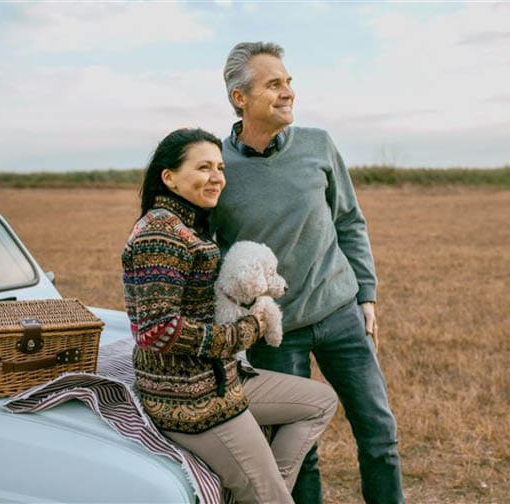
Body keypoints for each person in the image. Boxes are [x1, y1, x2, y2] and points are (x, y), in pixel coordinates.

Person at [211, 42, 405, 504]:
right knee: (298, 449)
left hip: (340, 315)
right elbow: (210, 251)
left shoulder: (318, 144)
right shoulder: (218, 166)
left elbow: (349, 222)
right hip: (275, 334)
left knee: (379, 433)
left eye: (289, 82)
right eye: (274, 84)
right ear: (241, 98)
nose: (288, 92)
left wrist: (367, 297)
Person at [122, 128, 338, 504]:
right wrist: (247, 330)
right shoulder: (160, 233)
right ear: (168, 177)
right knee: (271, 497)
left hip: (221, 380)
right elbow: (156, 330)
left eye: (220, 167)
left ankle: (261, 493)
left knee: (319, 402)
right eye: (203, 167)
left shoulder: (187, 225)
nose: (217, 176)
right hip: (191, 401)